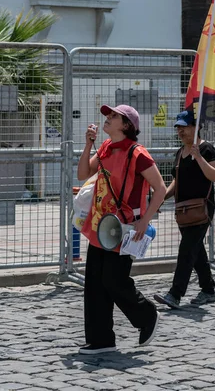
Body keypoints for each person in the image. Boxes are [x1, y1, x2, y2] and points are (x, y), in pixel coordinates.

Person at [77, 104, 166, 354]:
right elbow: (83, 173)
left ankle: (146, 315)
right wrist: (87, 144)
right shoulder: (105, 147)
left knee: (114, 280)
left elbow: (159, 188)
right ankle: (100, 339)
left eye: (113, 116)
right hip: (100, 224)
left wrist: (145, 220)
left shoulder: (138, 154)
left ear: (126, 125)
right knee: (95, 282)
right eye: (108, 114)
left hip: (125, 228)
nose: (107, 117)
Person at [153, 111, 215, 308]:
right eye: (178, 127)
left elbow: (214, 175)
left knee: (186, 250)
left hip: (202, 209)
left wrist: (198, 157)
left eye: (184, 127)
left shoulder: (206, 149)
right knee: (196, 250)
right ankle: (208, 289)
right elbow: (177, 181)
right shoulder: (179, 152)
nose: (180, 131)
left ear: (195, 126)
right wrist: (161, 196)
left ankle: (175, 294)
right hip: (183, 210)